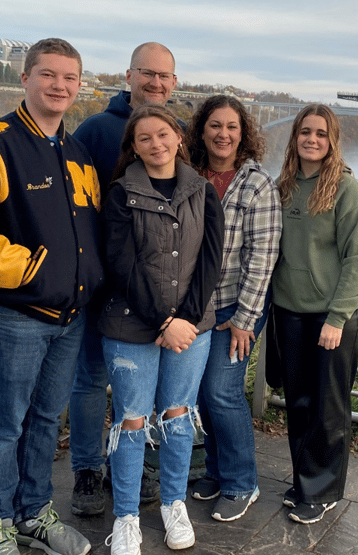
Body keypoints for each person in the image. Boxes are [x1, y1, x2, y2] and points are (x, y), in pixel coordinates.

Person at [0, 38, 103, 555]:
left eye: (69, 78)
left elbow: (88, 231)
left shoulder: (77, 153)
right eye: (48, 75)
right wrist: (35, 269)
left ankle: (33, 512)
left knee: (47, 419)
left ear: (79, 86)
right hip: (10, 314)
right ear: (25, 78)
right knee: (4, 421)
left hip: (69, 316)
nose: (59, 86)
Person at [99, 104, 224, 554]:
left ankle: (174, 503)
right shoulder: (118, 195)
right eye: (145, 138)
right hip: (132, 327)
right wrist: (163, 323)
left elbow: (211, 262)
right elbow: (121, 266)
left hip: (190, 328)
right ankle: (127, 516)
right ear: (133, 147)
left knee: (177, 414)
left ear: (179, 138)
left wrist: (186, 320)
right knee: (133, 420)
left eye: (163, 135)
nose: (156, 144)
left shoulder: (203, 192)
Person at [69, 42, 179, 515]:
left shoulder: (178, 132)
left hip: (153, 290)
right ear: (129, 75)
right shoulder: (95, 129)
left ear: (174, 83)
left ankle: (133, 465)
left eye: (164, 76)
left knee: (146, 386)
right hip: (97, 284)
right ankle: (88, 472)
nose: (155, 83)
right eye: (147, 73)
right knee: (91, 378)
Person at [271, 104, 358, 525]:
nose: (312, 140)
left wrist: (337, 317)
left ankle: (325, 490)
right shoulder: (284, 185)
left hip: (331, 318)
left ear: (332, 141)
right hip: (289, 311)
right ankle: (304, 479)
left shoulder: (346, 190)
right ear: (295, 137)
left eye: (321, 133)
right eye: (305, 132)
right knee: (297, 402)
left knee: (328, 407)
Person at [185, 95, 282, 521]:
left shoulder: (256, 184)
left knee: (222, 393)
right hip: (196, 309)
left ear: (243, 134)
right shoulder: (188, 174)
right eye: (215, 126)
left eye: (232, 127)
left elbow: (263, 258)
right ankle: (218, 471)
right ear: (202, 131)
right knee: (203, 394)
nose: (223, 134)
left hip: (236, 307)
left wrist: (244, 320)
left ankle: (243, 483)